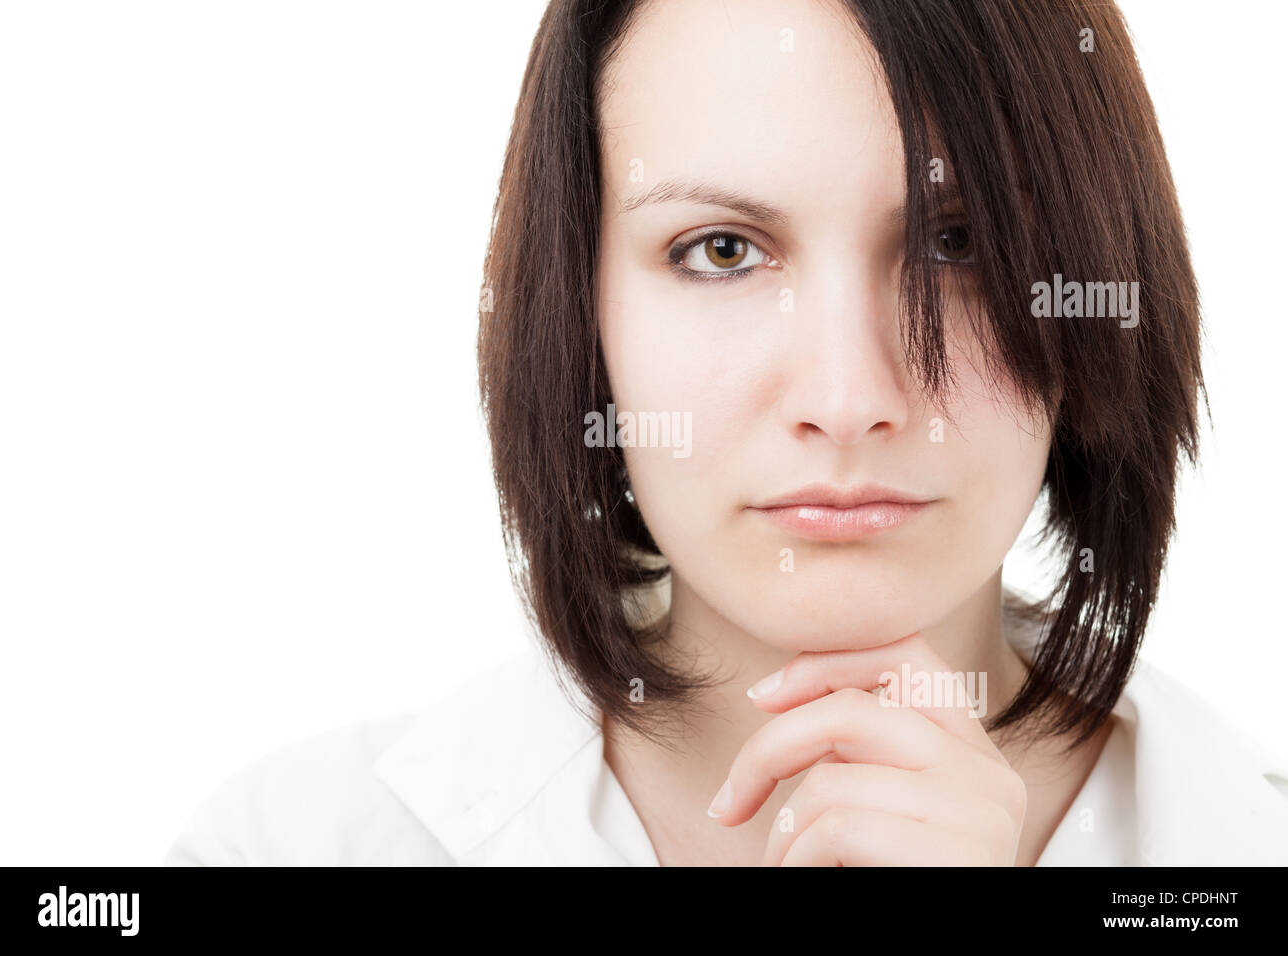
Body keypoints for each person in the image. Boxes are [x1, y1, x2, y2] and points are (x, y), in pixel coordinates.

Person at [165, 0, 1288, 866]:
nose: (848, 397)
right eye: (721, 251)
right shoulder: (294, 843)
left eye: (959, 244)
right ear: (580, 304)